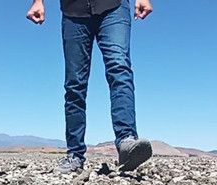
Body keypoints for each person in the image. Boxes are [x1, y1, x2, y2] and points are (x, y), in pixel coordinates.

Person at [26, 0, 154, 174]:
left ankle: (127, 141)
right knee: (75, 83)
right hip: (73, 11)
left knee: (119, 67)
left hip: (113, 7)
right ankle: (75, 154)